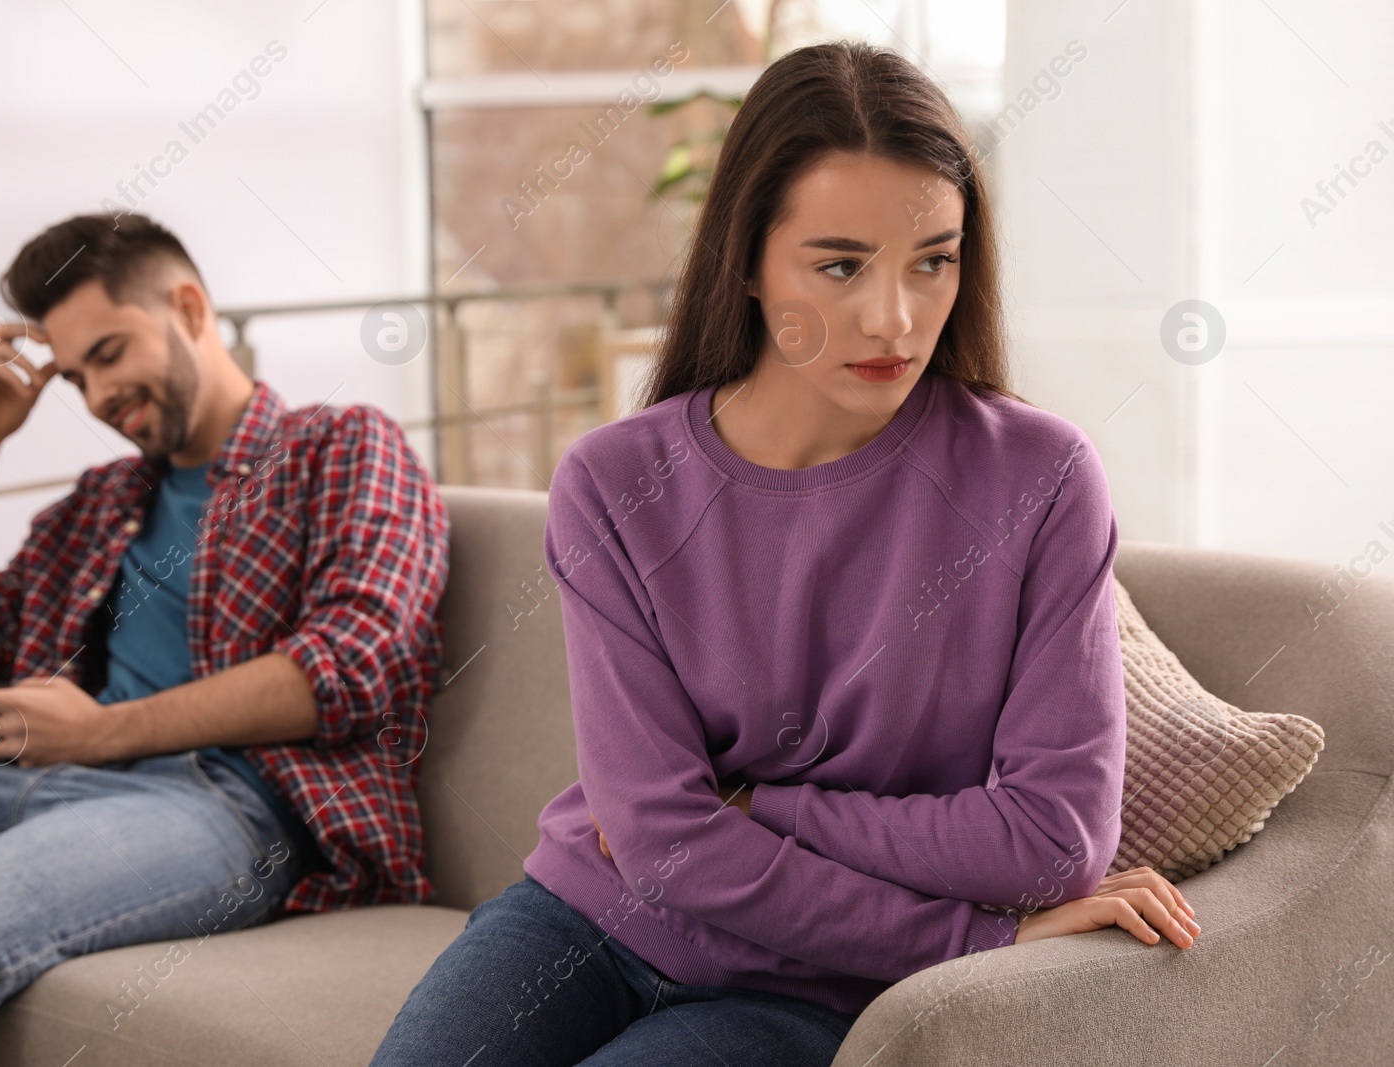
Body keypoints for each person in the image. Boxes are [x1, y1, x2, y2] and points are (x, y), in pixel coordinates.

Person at [370, 40, 1201, 1067]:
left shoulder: (1040, 478)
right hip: (585, 917)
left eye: (931, 259)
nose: (893, 317)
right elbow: (656, 841)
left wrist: (764, 805)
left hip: (818, 981)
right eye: (840, 264)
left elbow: (1052, 840)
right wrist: (962, 924)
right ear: (749, 259)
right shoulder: (612, 481)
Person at [0, 214, 449, 1065]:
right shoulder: (103, 500)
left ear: (187, 306)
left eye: (108, 355)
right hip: (38, 784)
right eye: (73, 377)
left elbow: (355, 661)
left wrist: (100, 730)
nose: (97, 396)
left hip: (226, 807)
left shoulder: (340, 447)